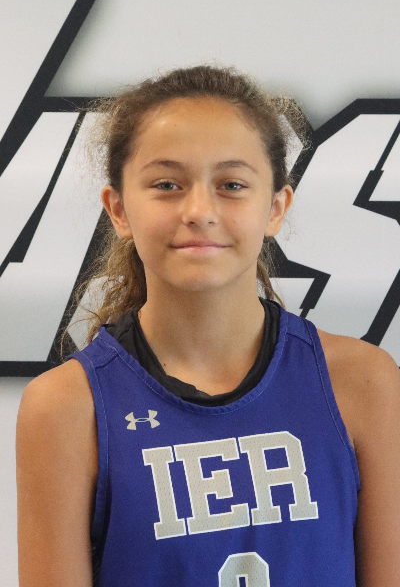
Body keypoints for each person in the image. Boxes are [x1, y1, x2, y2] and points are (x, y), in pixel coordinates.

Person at [16, 65, 400, 587]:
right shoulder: (65, 406)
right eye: (167, 184)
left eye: (232, 185)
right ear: (118, 209)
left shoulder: (362, 381)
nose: (199, 210)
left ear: (276, 208)